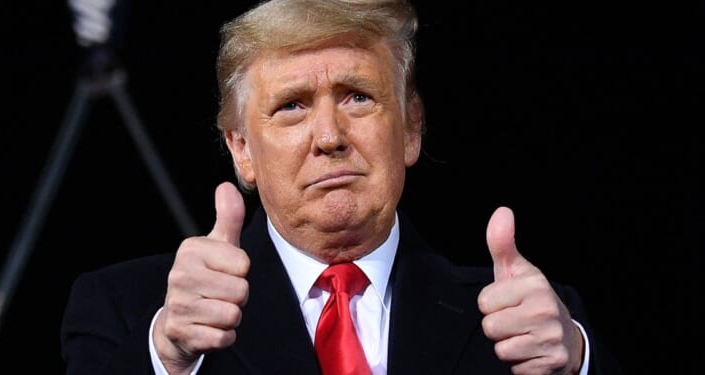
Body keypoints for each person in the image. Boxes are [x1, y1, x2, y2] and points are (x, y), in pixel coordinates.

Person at [60, 0, 621, 374]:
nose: (329, 136)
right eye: (292, 106)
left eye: (358, 96)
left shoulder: (525, 325)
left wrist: (576, 361)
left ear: (411, 129)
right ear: (241, 150)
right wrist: (166, 355)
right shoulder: (131, 313)